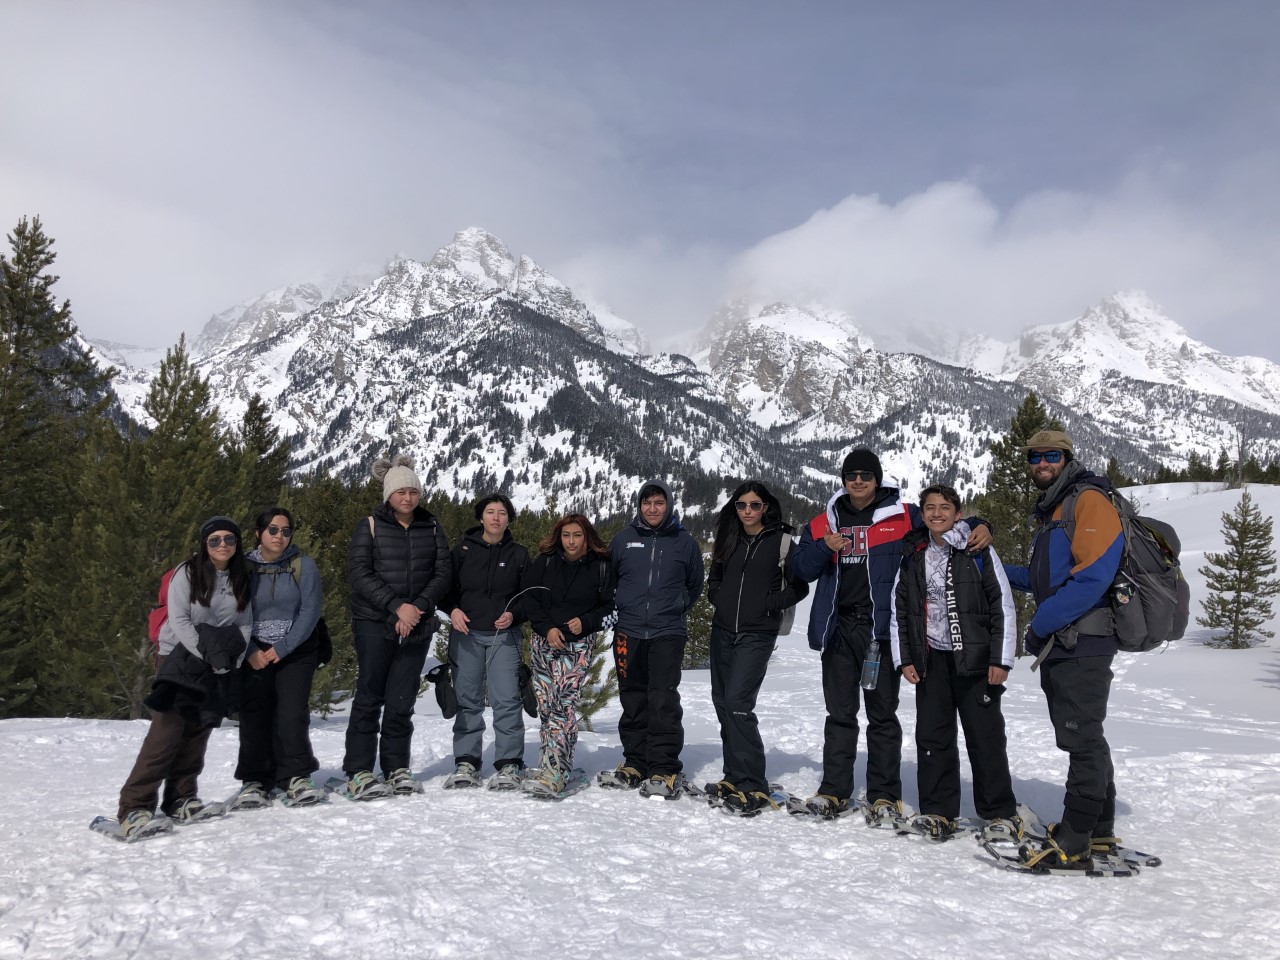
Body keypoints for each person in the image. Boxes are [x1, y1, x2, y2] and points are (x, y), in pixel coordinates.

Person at [792, 448, 991, 821]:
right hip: (839, 629)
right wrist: (823, 547)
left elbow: (943, 520)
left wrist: (981, 524)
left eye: (866, 475)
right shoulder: (825, 522)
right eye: (851, 475)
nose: (859, 482)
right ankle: (834, 790)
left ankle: (884, 795)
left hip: (880, 631)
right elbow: (801, 569)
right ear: (843, 480)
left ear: (877, 478)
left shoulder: (903, 515)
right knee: (840, 714)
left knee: (882, 715)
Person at [1004, 429, 1124, 870]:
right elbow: (1044, 580)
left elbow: (1092, 580)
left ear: (1067, 457)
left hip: (1083, 641)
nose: (1042, 463)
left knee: (1082, 740)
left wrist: (1039, 624)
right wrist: (991, 564)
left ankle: (1075, 839)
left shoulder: (1087, 500)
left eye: (1051, 455)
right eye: (1034, 457)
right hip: (1068, 640)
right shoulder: (1055, 508)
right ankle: (1099, 828)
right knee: (1087, 736)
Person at [890, 484, 1019, 840]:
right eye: (929, 507)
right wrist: (905, 658)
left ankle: (998, 813)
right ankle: (938, 811)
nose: (936, 513)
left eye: (944, 507)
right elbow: (899, 610)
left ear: (958, 513)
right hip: (931, 660)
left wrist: (1001, 658)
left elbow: (1002, 604)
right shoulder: (914, 554)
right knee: (933, 738)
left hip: (976, 662)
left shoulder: (977, 550)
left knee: (985, 738)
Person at [114, 516, 252, 836]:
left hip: (217, 663)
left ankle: (181, 798)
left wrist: (234, 658)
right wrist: (207, 655)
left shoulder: (240, 576)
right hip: (177, 657)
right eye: (214, 540)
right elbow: (179, 620)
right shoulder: (187, 573)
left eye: (229, 540)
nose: (222, 545)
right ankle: (134, 806)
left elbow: (245, 623)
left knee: (199, 728)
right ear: (204, 544)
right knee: (166, 732)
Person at [342, 455, 452, 798]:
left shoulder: (431, 527)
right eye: (401, 492)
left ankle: (396, 767)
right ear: (389, 494)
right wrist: (396, 607)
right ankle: (359, 770)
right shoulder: (370, 526)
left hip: (416, 624)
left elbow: (443, 572)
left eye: (413, 492)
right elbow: (359, 573)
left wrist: (417, 608)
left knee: (402, 698)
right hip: (375, 622)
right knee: (370, 696)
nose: (407, 498)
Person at [705, 481, 808, 815]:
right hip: (723, 630)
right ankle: (734, 776)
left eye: (754, 505)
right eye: (741, 505)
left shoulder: (782, 542)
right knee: (722, 701)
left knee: (737, 703)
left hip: (757, 633)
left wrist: (769, 605)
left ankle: (753, 784)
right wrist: (717, 598)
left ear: (766, 507)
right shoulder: (729, 538)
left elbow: (800, 586)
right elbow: (715, 579)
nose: (747, 511)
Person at [605, 479, 704, 796]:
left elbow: (695, 585)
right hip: (628, 631)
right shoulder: (623, 540)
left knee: (662, 699)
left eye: (658, 503)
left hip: (667, 632)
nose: (652, 508)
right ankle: (634, 762)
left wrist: (676, 608)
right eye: (647, 503)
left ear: (669, 505)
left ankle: (663, 767)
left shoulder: (684, 543)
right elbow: (609, 581)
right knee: (632, 697)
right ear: (639, 506)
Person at [231, 507, 325, 808]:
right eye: (273, 530)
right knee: (255, 714)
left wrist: (283, 647)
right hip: (254, 649)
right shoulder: (242, 567)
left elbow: (310, 611)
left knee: (291, 714)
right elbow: (230, 612)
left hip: (296, 650)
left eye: (286, 531)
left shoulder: (303, 565)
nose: (279, 536)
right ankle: (256, 779)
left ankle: (295, 775)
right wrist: (249, 651)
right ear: (259, 533)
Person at [521, 513, 616, 796]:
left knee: (563, 707)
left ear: (586, 537)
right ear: (559, 537)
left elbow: (611, 609)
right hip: (543, 644)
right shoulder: (546, 563)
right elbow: (529, 599)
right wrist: (547, 627)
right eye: (566, 535)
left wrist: (585, 622)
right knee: (547, 707)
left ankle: (557, 770)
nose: (571, 541)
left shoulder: (601, 567)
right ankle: (550, 762)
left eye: (577, 535)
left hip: (577, 647)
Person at [443, 493, 530, 789]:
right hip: (466, 634)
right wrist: (452, 609)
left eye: (502, 513)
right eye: (490, 512)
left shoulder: (519, 555)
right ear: (481, 518)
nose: (496, 517)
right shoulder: (463, 551)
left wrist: (514, 615)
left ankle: (509, 763)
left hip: (503, 637)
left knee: (506, 700)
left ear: (508, 518)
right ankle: (467, 761)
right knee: (468, 701)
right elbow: (444, 587)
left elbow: (529, 597)